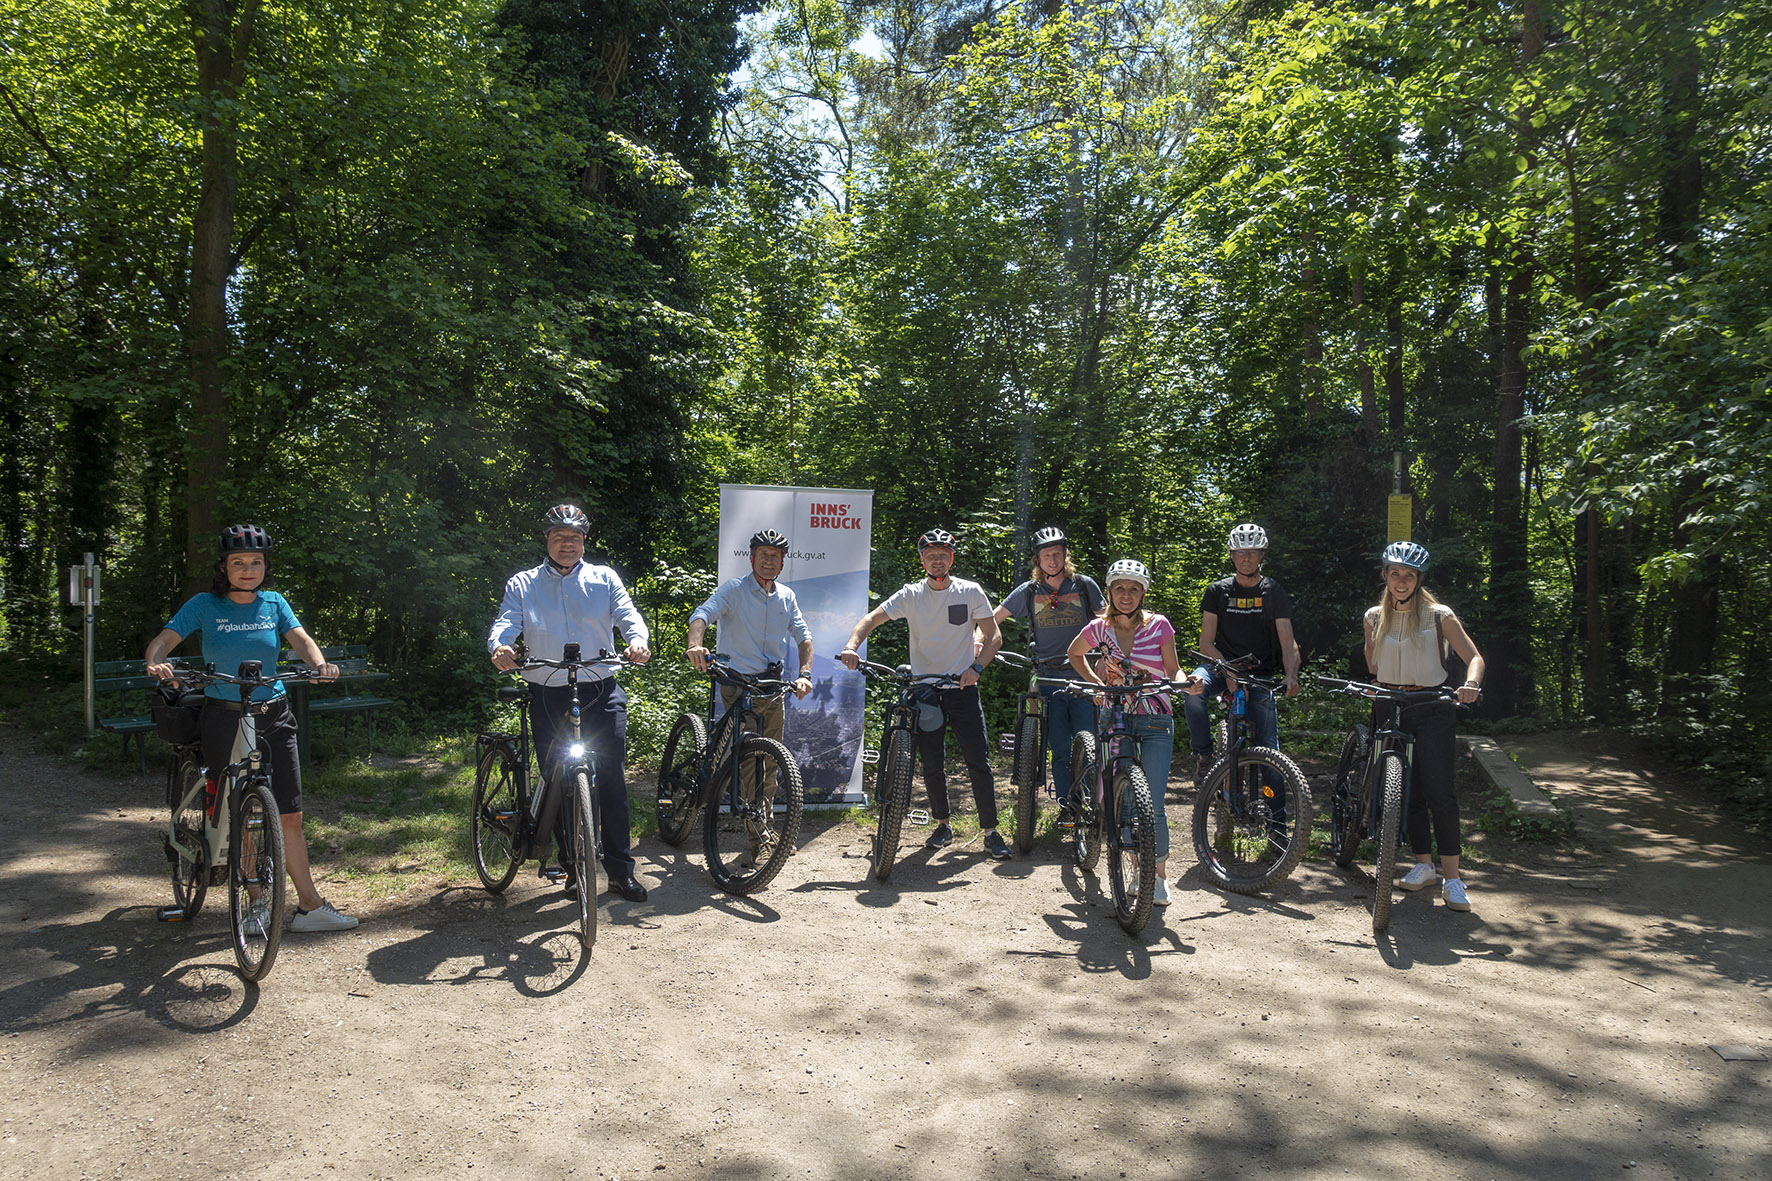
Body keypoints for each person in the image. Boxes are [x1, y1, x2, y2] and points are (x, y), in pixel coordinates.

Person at [144, 524, 358, 933]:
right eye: (238, 562)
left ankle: (310, 906)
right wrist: (158, 663)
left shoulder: (274, 603)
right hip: (223, 714)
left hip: (273, 713)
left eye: (255, 562)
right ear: (224, 568)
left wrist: (319, 665)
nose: (247, 570)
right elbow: (162, 641)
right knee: (236, 808)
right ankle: (258, 899)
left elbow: (302, 640)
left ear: (265, 567)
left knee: (290, 815)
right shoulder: (205, 604)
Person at [488, 504, 652, 903]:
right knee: (557, 778)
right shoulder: (523, 583)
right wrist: (499, 647)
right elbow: (506, 622)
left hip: (600, 686)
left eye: (575, 537)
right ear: (547, 540)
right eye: (559, 536)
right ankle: (573, 867)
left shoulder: (603, 578)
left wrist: (637, 641)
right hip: (548, 690)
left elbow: (628, 614)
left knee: (612, 777)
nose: (567, 544)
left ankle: (619, 871)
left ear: (584, 541)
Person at [837, 529, 1012, 860]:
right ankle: (943, 825)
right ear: (922, 560)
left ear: (951, 559)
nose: (937, 559)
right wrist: (850, 647)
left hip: (962, 688)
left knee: (979, 761)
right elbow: (871, 619)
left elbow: (994, 636)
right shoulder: (911, 595)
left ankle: (990, 831)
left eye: (943, 554)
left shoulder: (970, 591)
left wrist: (976, 668)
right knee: (932, 763)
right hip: (924, 690)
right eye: (930, 555)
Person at [1363, 541, 1485, 912]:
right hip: (1389, 704)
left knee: (1439, 790)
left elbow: (1474, 657)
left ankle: (1453, 878)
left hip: (1432, 704)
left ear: (1418, 580)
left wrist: (1472, 685)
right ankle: (1423, 864)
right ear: (1385, 575)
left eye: (1409, 575)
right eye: (1395, 573)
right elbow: (1372, 667)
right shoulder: (1373, 617)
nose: (1401, 581)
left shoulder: (1438, 615)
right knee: (1406, 789)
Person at [1066, 558, 1188, 907]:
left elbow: (1173, 669)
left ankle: (1158, 876)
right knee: (1123, 800)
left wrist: (1185, 684)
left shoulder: (1159, 626)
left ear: (1143, 594)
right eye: (1120, 588)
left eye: (1134, 589)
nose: (1126, 595)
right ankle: (1133, 863)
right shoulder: (1097, 628)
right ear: (1109, 591)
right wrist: (1097, 684)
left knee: (1154, 801)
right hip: (1113, 714)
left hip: (1154, 718)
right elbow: (1075, 654)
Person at [993, 526, 1103, 814]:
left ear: (1065, 555)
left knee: (1088, 744)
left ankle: (1091, 806)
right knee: (1060, 748)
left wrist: (1108, 659)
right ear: (1037, 560)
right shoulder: (1029, 591)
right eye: (1046, 555)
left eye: (1057, 553)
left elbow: (1109, 624)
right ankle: (1069, 806)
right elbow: (993, 619)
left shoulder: (1083, 586)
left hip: (1083, 676)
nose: (1052, 559)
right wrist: (979, 642)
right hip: (1048, 677)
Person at [1183, 523, 1302, 784]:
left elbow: (1288, 642)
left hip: (1259, 674)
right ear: (1231, 555)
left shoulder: (1273, 591)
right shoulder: (1218, 591)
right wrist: (1228, 673)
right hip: (1220, 666)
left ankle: (1277, 822)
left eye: (1252, 552)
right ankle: (1203, 756)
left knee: (1269, 751)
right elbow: (1206, 642)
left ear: (1262, 556)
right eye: (1239, 552)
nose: (1246, 557)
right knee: (1192, 690)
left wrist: (1291, 675)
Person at [685, 527, 815, 730]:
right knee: (744, 755)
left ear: (782, 564)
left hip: (771, 685)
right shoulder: (734, 589)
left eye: (775, 556)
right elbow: (702, 615)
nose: (769, 561)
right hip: (738, 683)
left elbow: (803, 636)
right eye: (763, 554)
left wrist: (805, 675)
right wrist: (695, 646)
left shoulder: (787, 596)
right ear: (752, 558)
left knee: (774, 755)